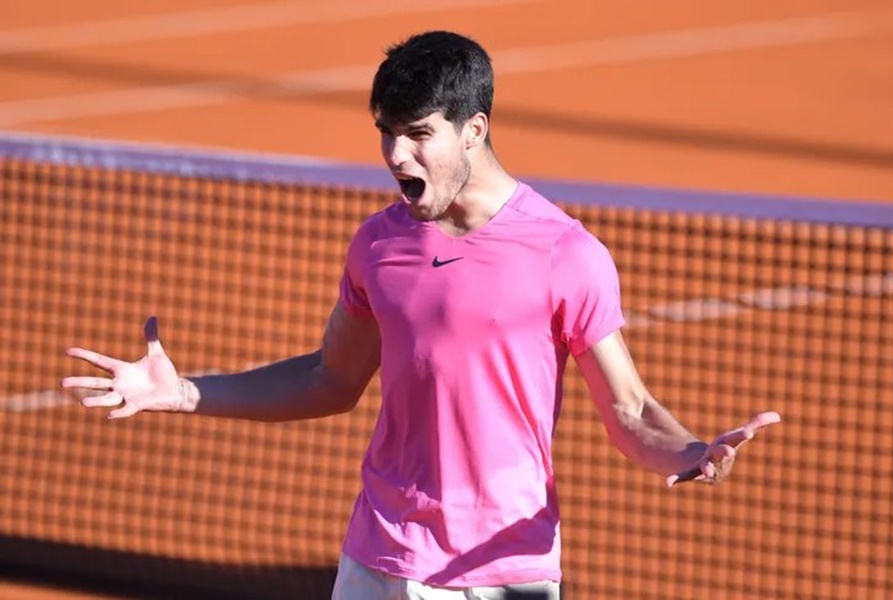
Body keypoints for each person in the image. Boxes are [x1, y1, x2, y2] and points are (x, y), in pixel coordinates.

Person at [61, 30, 781, 600]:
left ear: (475, 129)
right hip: (378, 558)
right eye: (386, 131)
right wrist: (185, 393)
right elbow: (329, 379)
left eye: (419, 134)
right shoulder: (379, 244)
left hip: (502, 569)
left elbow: (629, 412)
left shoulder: (566, 253)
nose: (396, 155)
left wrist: (690, 451)